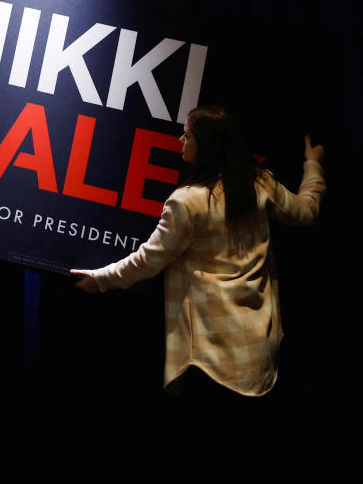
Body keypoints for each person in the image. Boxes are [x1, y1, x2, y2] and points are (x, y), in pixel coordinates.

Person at [70, 106, 325, 398]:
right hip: (257, 354)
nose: (181, 139)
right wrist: (313, 165)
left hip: (209, 360)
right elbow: (307, 211)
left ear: (206, 146)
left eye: (188, 135)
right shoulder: (260, 183)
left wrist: (100, 279)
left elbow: (148, 261)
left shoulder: (188, 203)